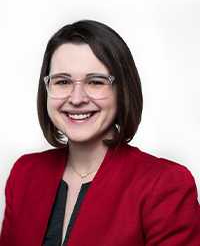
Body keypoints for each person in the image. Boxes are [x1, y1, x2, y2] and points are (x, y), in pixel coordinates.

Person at [0, 20, 200, 246]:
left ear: (122, 90)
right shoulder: (24, 174)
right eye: (62, 81)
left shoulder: (164, 184)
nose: (76, 99)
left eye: (95, 82)